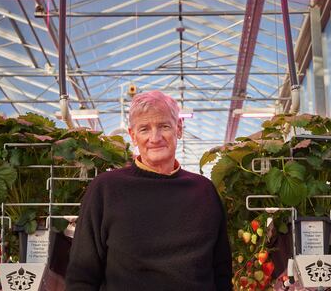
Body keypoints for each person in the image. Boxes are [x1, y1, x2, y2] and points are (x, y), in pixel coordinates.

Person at [65, 90, 232, 291]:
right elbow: (82, 275)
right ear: (132, 136)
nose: (155, 137)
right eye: (144, 129)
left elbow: (221, 271)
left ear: (178, 128)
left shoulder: (204, 191)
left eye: (164, 126)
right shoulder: (105, 190)